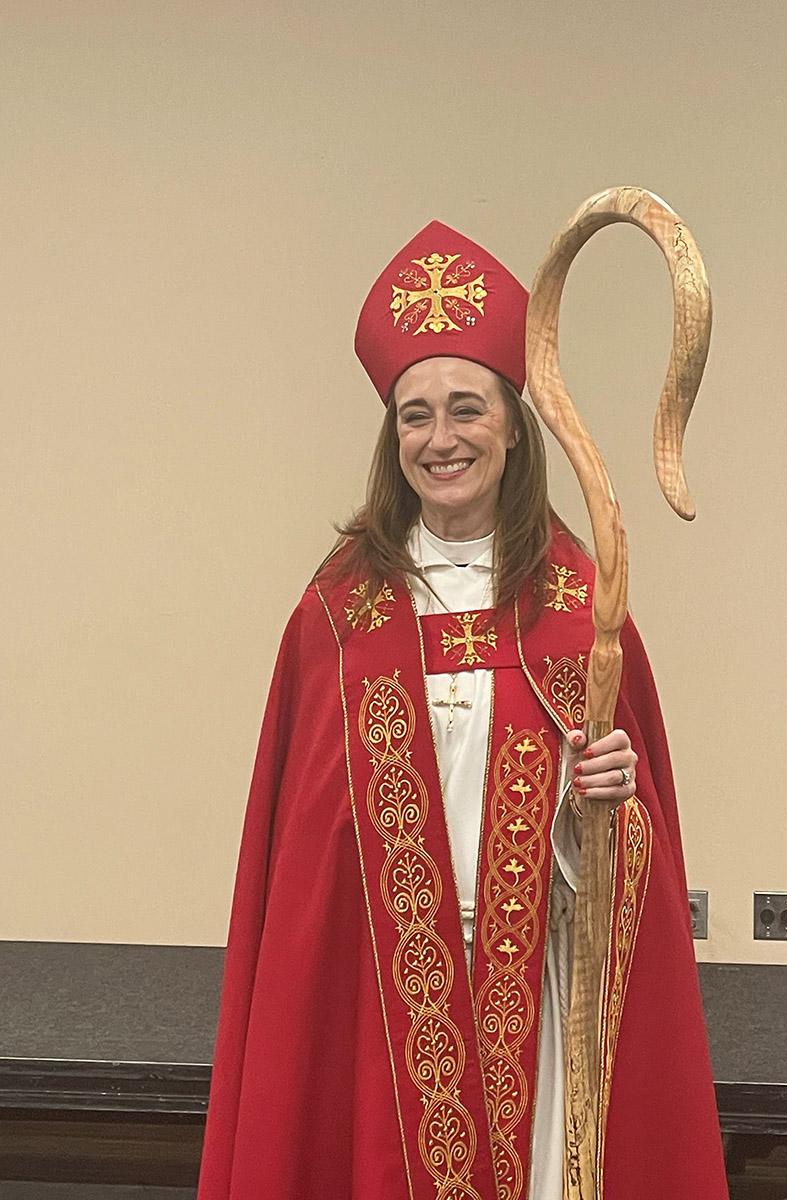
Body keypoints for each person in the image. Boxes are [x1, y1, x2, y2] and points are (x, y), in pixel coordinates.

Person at [197, 222, 728, 1200]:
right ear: (392, 437)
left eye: (466, 409)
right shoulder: (339, 617)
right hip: (377, 999)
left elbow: (630, 874)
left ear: (515, 426)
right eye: (416, 416)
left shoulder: (579, 609)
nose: (440, 439)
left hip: (540, 988)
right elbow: (304, 867)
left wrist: (602, 804)